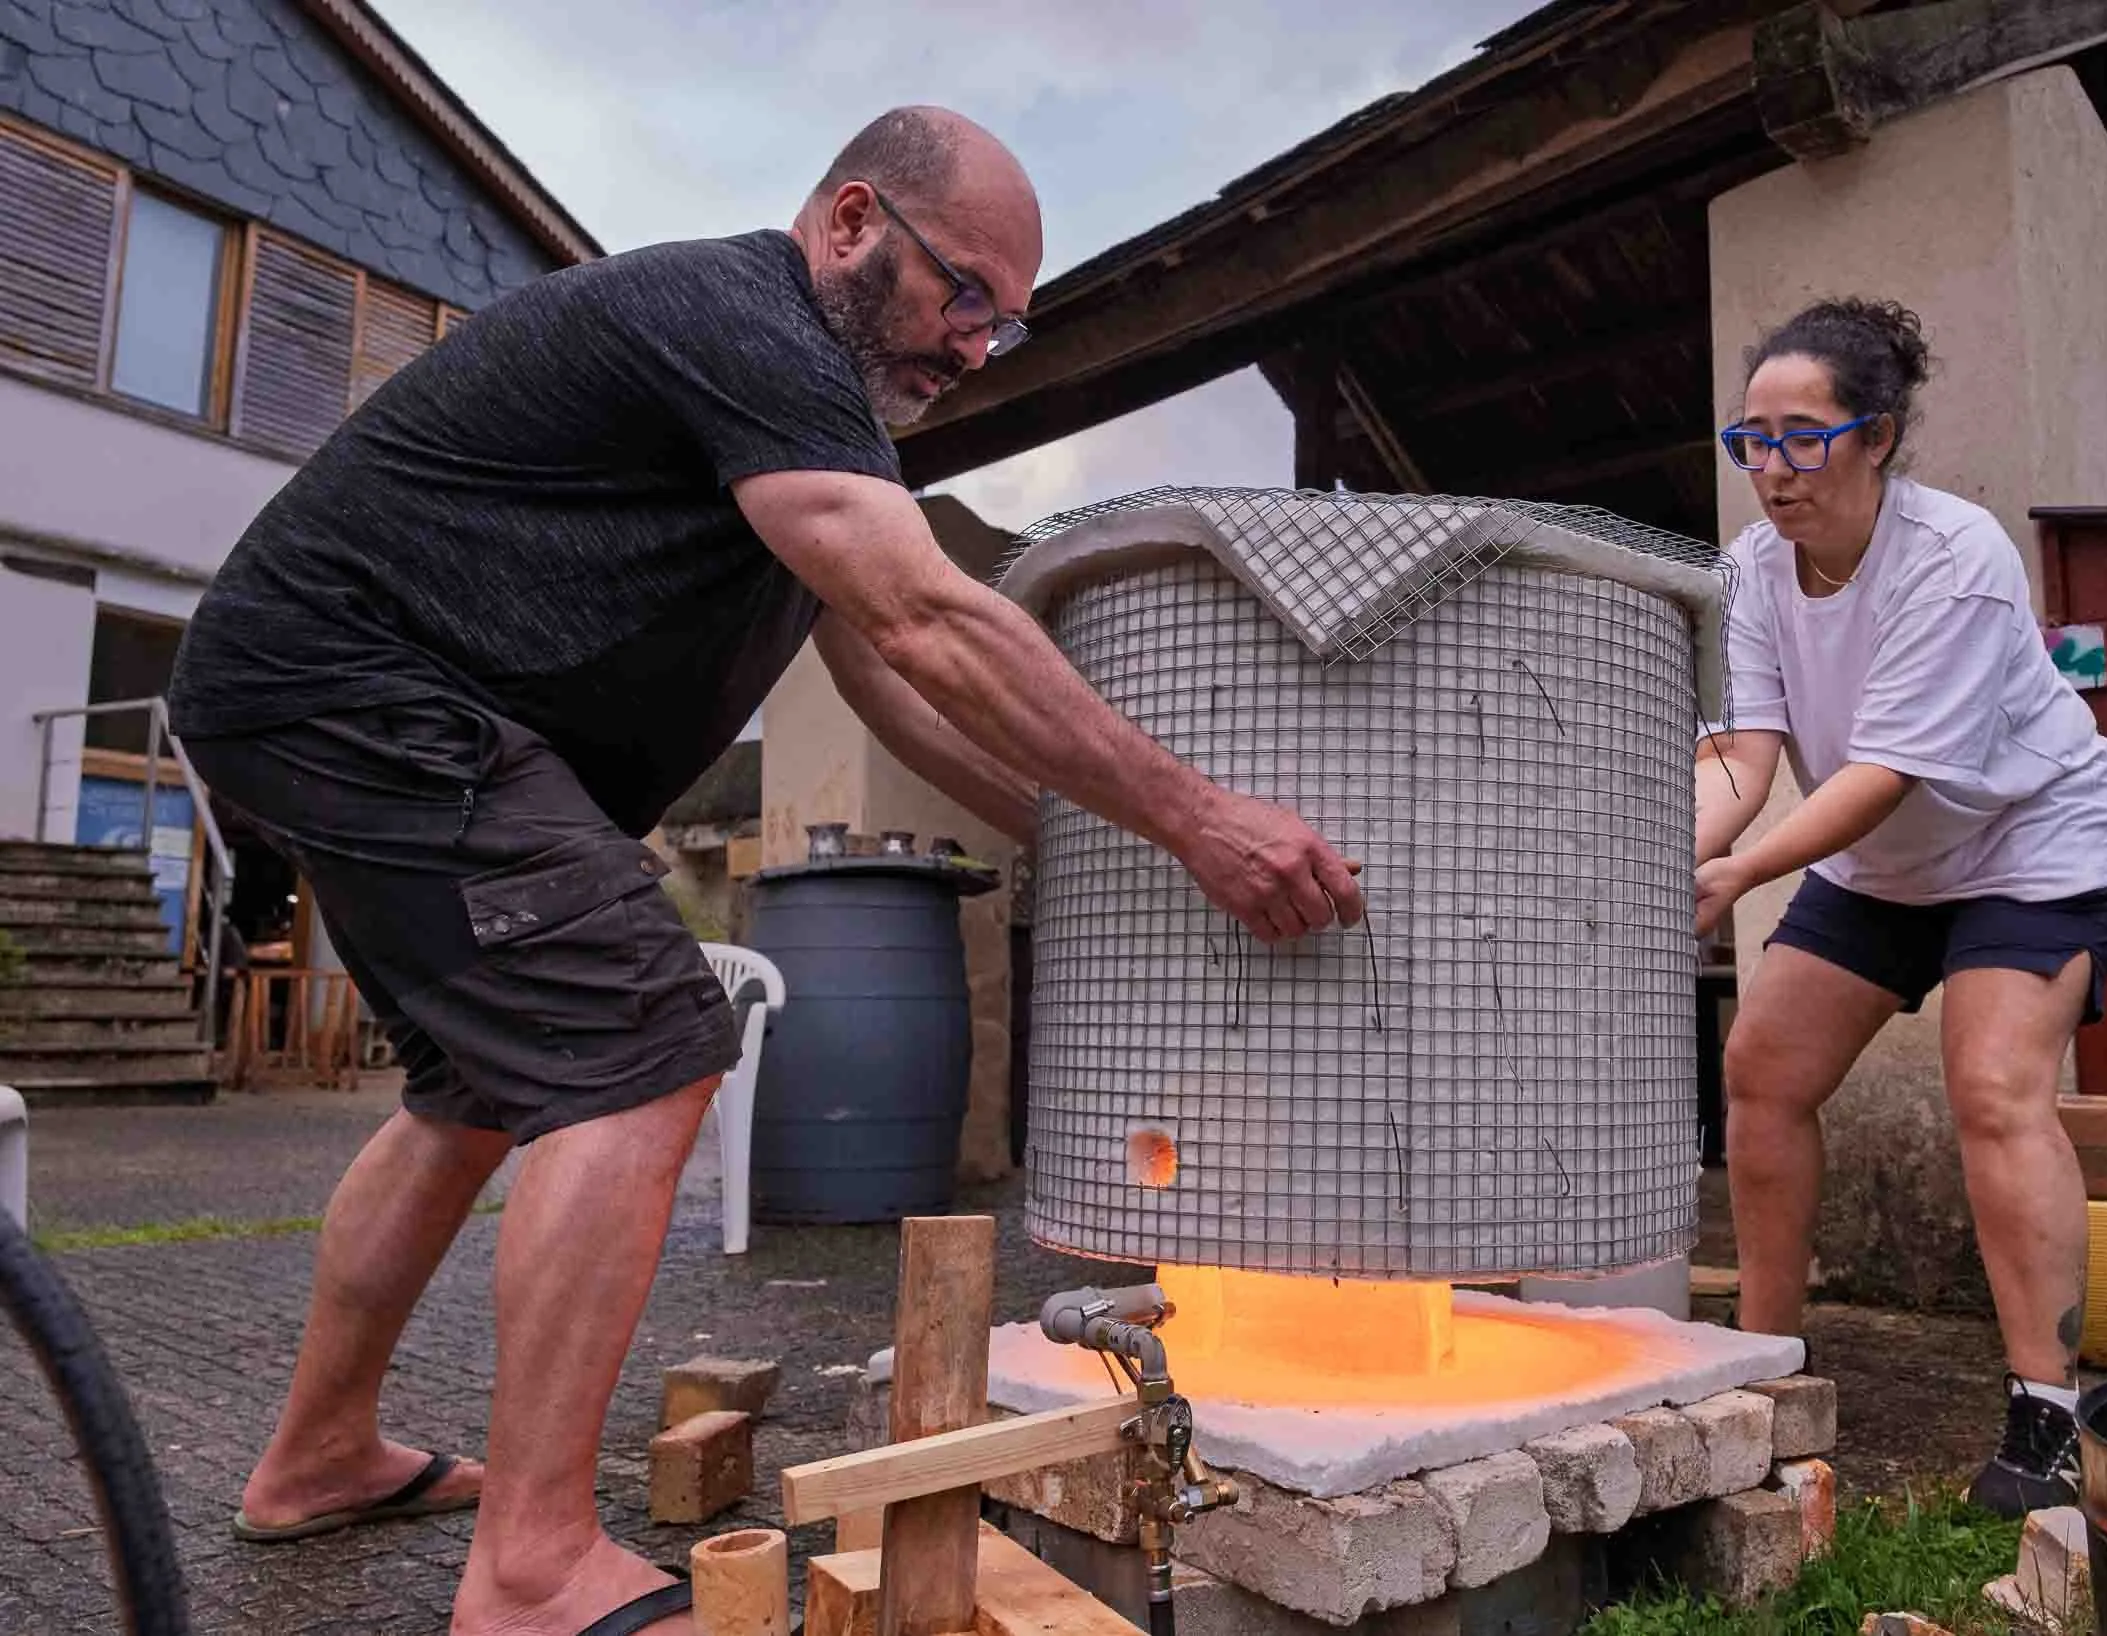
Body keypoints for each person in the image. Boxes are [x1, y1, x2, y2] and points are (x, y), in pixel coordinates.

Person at [167, 106, 1365, 1636]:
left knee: (471, 1095)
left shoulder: (797, 424)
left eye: (1010, 320)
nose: (980, 348)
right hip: (356, 688)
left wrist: (1091, 847)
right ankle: (531, 1571)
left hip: (349, 704)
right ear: (854, 221)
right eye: (966, 296)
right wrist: (1200, 818)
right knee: (642, 1043)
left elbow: (889, 679)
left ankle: (318, 1455)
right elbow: (936, 617)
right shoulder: (742, 320)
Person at [1691, 298, 2107, 1518]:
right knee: (1762, 1067)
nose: (1772, 470)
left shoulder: (1954, 554)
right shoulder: (1743, 571)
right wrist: (1672, 860)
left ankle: (2051, 1415)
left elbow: (1884, 767)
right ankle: (1765, 1369)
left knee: (1994, 1084)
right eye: (1752, 440)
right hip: (1885, 861)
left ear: (1875, 436)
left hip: (2034, 840)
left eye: (1803, 437)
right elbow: (1743, 752)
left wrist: (1741, 877)